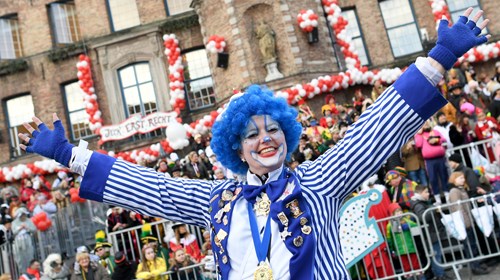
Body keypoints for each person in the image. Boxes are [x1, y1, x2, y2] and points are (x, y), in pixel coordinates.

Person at [18, 9, 490, 279]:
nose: (265, 138)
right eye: (251, 134)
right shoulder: (216, 200)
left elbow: (373, 129)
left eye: (272, 130)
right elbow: (154, 189)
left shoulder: (319, 181)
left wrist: (439, 58)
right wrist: (69, 155)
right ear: (237, 150)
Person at [410, 185, 453, 280]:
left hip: (432, 233)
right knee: (436, 255)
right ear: (420, 193)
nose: (428, 194)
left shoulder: (421, 203)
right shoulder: (418, 204)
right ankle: (440, 275)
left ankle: (439, 274)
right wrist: (433, 209)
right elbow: (423, 217)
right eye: (426, 192)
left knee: (436, 255)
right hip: (429, 234)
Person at [386, 203, 420, 275]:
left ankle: (419, 274)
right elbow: (390, 237)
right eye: (397, 212)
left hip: (410, 246)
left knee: (415, 264)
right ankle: (409, 275)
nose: (399, 213)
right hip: (400, 249)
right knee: (406, 266)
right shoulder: (390, 224)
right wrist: (392, 249)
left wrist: (409, 225)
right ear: (392, 214)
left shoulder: (406, 220)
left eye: (400, 211)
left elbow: (415, 225)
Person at [12, 207, 36, 274]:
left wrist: (27, 228)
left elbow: (34, 229)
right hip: (18, 242)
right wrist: (19, 228)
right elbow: (13, 232)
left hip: (27, 240)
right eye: (22, 215)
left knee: (30, 255)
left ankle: (32, 270)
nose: (23, 217)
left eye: (24, 215)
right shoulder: (14, 223)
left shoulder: (29, 221)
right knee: (20, 258)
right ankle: (22, 272)